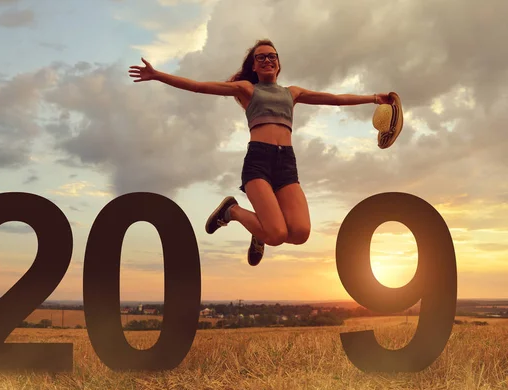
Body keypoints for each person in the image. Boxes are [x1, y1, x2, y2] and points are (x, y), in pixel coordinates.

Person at [129, 39, 393, 267]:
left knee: (300, 233)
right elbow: (199, 86)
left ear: (278, 63)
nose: (267, 59)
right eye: (261, 57)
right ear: (254, 66)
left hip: (286, 164)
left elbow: (334, 98)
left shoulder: (293, 93)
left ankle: (259, 229)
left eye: (272, 56)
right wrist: (158, 75)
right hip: (259, 161)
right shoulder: (247, 89)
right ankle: (231, 211)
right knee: (276, 234)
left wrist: (374, 98)